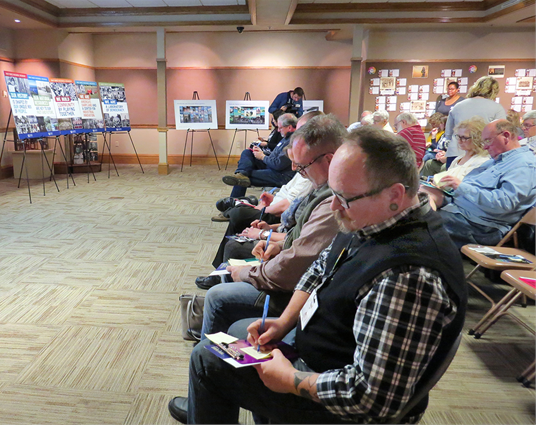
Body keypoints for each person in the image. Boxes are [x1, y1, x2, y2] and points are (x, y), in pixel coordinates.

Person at [169, 126, 467, 424]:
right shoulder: (375, 219)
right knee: (233, 338)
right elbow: (319, 270)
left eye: (345, 198)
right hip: (322, 353)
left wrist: (291, 379)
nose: (334, 206)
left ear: (395, 194)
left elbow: (371, 399)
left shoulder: (409, 275)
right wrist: (284, 321)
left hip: (340, 404)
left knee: (207, 361)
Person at [199, 114, 346, 334]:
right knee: (237, 240)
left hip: (298, 291)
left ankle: (215, 339)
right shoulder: (323, 187)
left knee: (218, 297)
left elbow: (298, 262)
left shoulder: (334, 200)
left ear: (328, 159)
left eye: (304, 165)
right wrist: (275, 243)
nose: (298, 170)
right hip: (297, 281)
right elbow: (300, 241)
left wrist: (250, 271)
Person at [429, 119, 536, 248]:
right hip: (463, 213)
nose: (485, 146)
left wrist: (461, 187)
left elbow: (504, 204)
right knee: (415, 203)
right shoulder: (498, 160)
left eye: (488, 141)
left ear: (506, 136)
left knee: (415, 224)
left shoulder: (523, 165)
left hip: (481, 226)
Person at [222, 113, 297, 199]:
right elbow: (275, 156)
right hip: (272, 167)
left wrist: (262, 157)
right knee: (247, 152)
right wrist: (261, 153)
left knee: (241, 179)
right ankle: (242, 172)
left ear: (289, 127)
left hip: (281, 175)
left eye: (280, 128)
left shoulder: (293, 141)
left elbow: (278, 165)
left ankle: (233, 203)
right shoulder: (286, 137)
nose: (279, 130)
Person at [421, 117, 489, 209]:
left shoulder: (482, 161)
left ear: (476, 138)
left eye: (464, 138)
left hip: (459, 199)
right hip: (446, 193)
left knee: (424, 195)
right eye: (458, 137)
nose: (460, 141)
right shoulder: (459, 158)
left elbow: (468, 188)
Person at [444, 76, 506, 168]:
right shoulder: (497, 108)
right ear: (494, 91)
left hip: (455, 151)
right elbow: (501, 135)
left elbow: (448, 133)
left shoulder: (458, 106)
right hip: (482, 155)